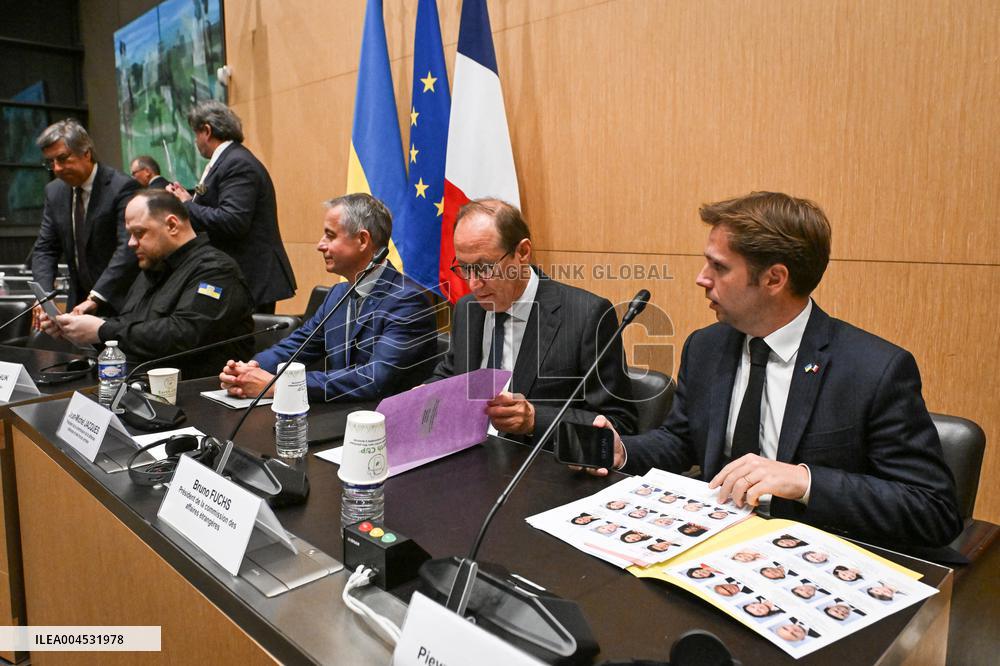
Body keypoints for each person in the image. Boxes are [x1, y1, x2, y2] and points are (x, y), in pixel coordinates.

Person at [583, 192, 962, 550]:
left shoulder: (873, 370)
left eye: (719, 267)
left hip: (810, 556)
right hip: (710, 540)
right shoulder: (706, 346)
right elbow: (681, 441)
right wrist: (622, 452)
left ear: (774, 279)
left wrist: (806, 481)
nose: (702, 278)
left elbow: (934, 509)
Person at [429, 198, 637, 442]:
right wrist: (423, 397)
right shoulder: (468, 308)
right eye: (465, 268)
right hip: (468, 450)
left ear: (522, 252)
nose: (473, 283)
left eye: (485, 267)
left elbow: (619, 424)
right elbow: (451, 374)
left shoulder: (586, 316)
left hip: (537, 459)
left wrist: (535, 421)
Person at [219, 193, 437, 402]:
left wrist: (280, 386)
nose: (320, 245)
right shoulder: (337, 294)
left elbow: (373, 380)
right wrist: (247, 370)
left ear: (362, 240)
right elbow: (295, 348)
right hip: (340, 414)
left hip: (387, 420)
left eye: (330, 236)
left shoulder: (407, 301)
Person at [39, 190, 254, 378]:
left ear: (172, 225)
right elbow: (133, 325)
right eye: (130, 234)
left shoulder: (216, 270)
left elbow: (184, 335)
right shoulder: (154, 266)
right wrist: (80, 329)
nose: (131, 243)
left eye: (139, 233)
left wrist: (102, 330)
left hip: (197, 391)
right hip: (141, 385)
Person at [167, 100, 296, 313]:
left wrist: (187, 205)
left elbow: (232, 221)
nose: (195, 141)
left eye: (195, 134)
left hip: (251, 278)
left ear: (207, 130)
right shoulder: (229, 159)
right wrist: (189, 199)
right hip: (240, 276)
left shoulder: (237, 162)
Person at [31, 119, 140, 315]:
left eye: (62, 158)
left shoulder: (122, 187)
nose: (57, 168)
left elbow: (127, 248)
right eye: (50, 162)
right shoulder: (54, 192)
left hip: (119, 302)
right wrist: (44, 297)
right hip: (78, 302)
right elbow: (45, 249)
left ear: (86, 153)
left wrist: (96, 296)